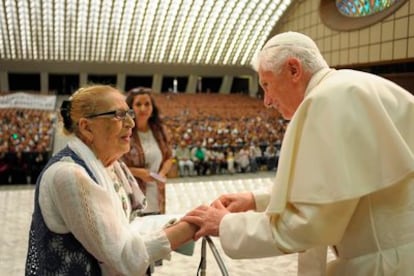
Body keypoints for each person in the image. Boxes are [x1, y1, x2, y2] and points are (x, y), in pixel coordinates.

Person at [183, 31, 414, 275]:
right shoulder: (354, 86)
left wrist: (226, 224)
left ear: (294, 70)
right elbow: (335, 188)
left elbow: (312, 224)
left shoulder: (326, 101)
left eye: (267, 85)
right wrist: (256, 200)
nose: (267, 101)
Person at [25, 85, 197, 276]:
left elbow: (127, 226)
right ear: (87, 127)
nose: (131, 123)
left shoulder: (113, 166)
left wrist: (181, 220)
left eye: (129, 113)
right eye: (119, 115)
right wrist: (189, 227)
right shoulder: (69, 176)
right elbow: (123, 258)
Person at [122, 87, 173, 215]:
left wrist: (161, 174)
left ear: (152, 108)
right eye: (138, 104)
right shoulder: (124, 132)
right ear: (130, 108)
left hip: (157, 195)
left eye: (147, 104)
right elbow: (115, 164)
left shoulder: (159, 130)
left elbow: (169, 157)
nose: (143, 108)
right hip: (133, 196)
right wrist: (139, 172)